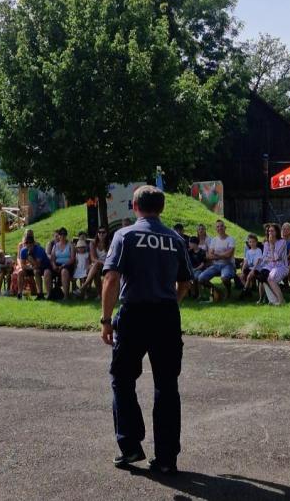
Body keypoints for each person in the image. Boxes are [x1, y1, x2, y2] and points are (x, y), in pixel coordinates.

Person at [100, 186, 192, 475]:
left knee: (122, 378)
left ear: (135, 207)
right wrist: (170, 303)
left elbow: (112, 277)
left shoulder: (124, 236)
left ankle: (130, 445)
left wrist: (105, 319)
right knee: (166, 385)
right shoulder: (175, 238)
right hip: (165, 315)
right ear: (161, 209)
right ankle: (166, 457)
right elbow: (186, 281)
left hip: (134, 314)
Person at [198, 220, 236, 301]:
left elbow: (228, 256)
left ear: (225, 227)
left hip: (228, 264)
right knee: (201, 278)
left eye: (221, 226)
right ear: (216, 229)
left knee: (225, 278)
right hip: (215, 265)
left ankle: (228, 292)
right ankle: (218, 290)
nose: (220, 228)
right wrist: (223, 254)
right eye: (218, 227)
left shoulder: (231, 239)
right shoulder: (214, 240)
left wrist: (216, 254)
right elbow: (209, 256)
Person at [259, 224, 290, 306]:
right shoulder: (266, 243)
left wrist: (272, 246)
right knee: (262, 276)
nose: (270, 233)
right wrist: (270, 258)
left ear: (277, 232)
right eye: (269, 231)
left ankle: (281, 300)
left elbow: (276, 257)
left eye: (272, 231)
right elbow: (264, 258)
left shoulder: (282, 242)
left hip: (281, 266)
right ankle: (273, 299)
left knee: (271, 278)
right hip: (270, 266)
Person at [19, 230, 50, 300]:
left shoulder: (39, 249)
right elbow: (22, 265)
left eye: (30, 243)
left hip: (44, 267)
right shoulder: (23, 251)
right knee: (20, 272)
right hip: (33, 267)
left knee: (36, 271)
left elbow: (38, 265)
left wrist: (29, 256)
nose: (28, 245)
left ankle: (40, 293)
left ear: (34, 243)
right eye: (26, 243)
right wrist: (29, 267)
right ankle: (19, 294)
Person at [85, 227, 112, 299]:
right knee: (96, 268)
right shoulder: (93, 243)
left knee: (95, 267)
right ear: (97, 234)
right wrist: (101, 262)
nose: (101, 234)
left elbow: (111, 258)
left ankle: (84, 287)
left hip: (107, 265)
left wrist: (103, 263)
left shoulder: (110, 243)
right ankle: (100, 294)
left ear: (106, 234)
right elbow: (93, 258)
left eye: (103, 232)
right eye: (99, 232)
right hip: (97, 264)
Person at [50, 227, 75, 299]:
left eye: (64, 234)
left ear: (66, 235)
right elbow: (52, 259)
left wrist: (64, 265)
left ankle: (66, 296)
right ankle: (49, 294)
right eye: (61, 234)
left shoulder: (71, 245)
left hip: (68, 264)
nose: (63, 236)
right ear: (59, 236)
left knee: (64, 271)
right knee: (47, 272)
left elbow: (72, 259)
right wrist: (54, 265)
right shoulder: (55, 246)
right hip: (57, 264)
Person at [238, 234, 263, 298]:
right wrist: (242, 271)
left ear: (256, 242)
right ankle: (248, 291)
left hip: (257, 269)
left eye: (253, 242)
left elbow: (257, 261)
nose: (252, 243)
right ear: (248, 243)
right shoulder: (248, 252)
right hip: (250, 268)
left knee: (249, 276)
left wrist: (252, 270)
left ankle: (243, 292)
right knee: (241, 277)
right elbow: (246, 262)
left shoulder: (258, 250)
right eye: (250, 242)